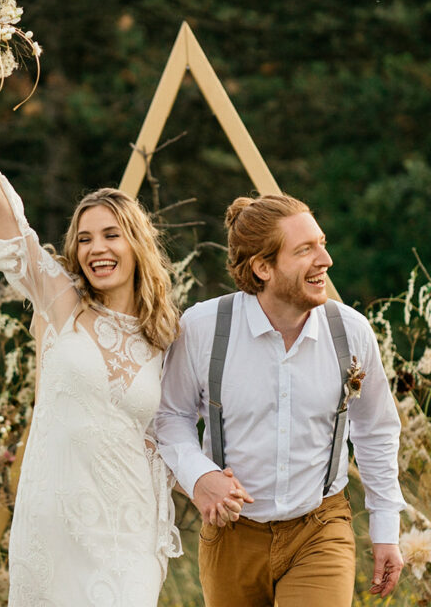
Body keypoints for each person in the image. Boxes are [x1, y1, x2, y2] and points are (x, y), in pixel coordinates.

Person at [0, 58, 240, 606]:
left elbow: (172, 437)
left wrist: (210, 483)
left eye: (111, 235)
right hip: (54, 525)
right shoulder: (62, 305)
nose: (97, 248)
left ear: (137, 245)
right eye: (84, 239)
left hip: (128, 530)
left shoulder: (170, 337)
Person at [154, 193, 406, 607]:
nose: (325, 259)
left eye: (322, 243)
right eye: (305, 249)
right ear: (263, 267)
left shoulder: (351, 332)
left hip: (320, 528)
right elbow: (170, 417)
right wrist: (200, 476)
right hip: (231, 536)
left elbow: (376, 430)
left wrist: (385, 530)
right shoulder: (203, 328)